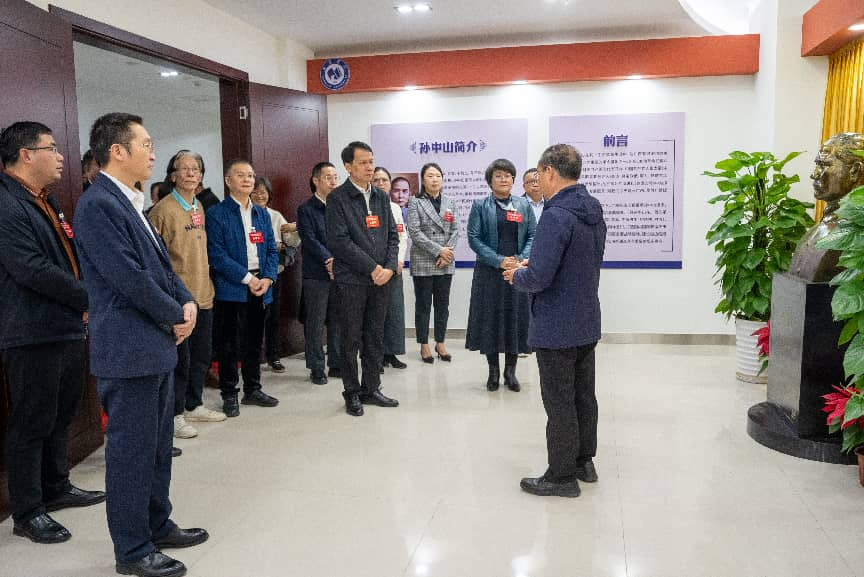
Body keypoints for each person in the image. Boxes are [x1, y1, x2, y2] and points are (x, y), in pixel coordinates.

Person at [74, 113, 207, 577]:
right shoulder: (97, 205)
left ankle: (156, 523)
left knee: (156, 447)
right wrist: (175, 313)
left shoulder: (129, 200)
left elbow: (162, 267)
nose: (154, 153)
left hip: (154, 345)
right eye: (145, 144)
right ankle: (132, 550)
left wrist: (186, 301)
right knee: (131, 453)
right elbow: (128, 277)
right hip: (128, 348)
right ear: (117, 151)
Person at [0, 122, 104, 545]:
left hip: (64, 324)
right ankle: (27, 511)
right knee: (32, 420)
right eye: (52, 148)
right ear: (26, 155)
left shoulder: (46, 199)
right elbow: (31, 268)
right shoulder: (6, 203)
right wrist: (90, 296)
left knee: (62, 412)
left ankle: (56, 486)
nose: (61, 157)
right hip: (32, 330)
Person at [505, 143, 606, 498]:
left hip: (555, 325)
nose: (538, 181)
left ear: (550, 171)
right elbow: (579, 263)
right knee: (583, 396)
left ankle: (561, 477)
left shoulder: (556, 214)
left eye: (539, 174)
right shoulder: (593, 210)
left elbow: (539, 277)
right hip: (586, 319)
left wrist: (517, 275)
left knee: (560, 401)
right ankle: (583, 462)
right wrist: (533, 266)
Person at [149, 150, 226, 441]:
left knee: (201, 357)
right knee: (180, 361)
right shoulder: (162, 210)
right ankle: (175, 414)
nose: (191, 173)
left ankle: (194, 404)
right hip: (179, 300)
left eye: (196, 169)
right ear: (172, 175)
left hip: (204, 293)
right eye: (185, 168)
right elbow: (155, 261)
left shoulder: (198, 206)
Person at [326, 142, 400, 416]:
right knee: (350, 338)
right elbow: (340, 241)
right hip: (352, 281)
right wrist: (372, 268)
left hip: (381, 280)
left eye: (371, 161)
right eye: (363, 162)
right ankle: (352, 392)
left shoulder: (381, 197)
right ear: (348, 166)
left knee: (375, 336)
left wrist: (388, 268)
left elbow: (392, 236)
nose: (370, 167)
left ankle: (372, 388)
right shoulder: (338, 198)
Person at [206, 159, 280, 418]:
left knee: (253, 341)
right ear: (228, 181)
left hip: (261, 286)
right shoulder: (216, 213)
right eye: (241, 175)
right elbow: (217, 255)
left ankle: (253, 389)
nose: (248, 180)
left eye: (250, 175)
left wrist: (268, 278)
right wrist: (248, 279)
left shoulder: (261, 213)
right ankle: (229, 393)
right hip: (232, 287)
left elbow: (271, 250)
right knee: (228, 345)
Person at [465, 158, 536, 392]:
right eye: (498, 175)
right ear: (490, 180)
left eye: (507, 175)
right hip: (489, 272)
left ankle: (510, 372)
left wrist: (519, 259)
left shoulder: (523, 205)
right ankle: (493, 372)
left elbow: (533, 235)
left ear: (513, 180)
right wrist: (498, 260)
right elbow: (474, 238)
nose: (503, 179)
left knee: (515, 318)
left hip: (517, 271)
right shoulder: (480, 205)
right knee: (491, 320)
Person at [790, 132, 864, 281]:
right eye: (817, 165)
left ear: (854, 171)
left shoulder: (855, 237)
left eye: (824, 165)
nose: (814, 174)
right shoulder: (817, 230)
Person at [406, 162, 458, 363]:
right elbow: (415, 232)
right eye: (430, 176)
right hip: (424, 261)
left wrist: (446, 253)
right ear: (423, 180)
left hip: (445, 262)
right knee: (423, 305)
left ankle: (440, 342)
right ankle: (424, 344)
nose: (434, 179)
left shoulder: (450, 201)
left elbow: (456, 229)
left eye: (438, 175)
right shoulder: (415, 201)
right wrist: (439, 250)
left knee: (443, 305)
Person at [297, 162, 341, 385]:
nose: (333, 182)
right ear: (316, 180)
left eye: (335, 177)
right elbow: (309, 239)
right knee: (315, 323)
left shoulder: (340, 207)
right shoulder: (306, 209)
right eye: (328, 177)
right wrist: (328, 259)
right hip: (316, 274)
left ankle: (336, 363)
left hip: (341, 272)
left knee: (337, 320)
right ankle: (316, 366)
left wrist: (340, 260)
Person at [251, 175, 299, 373]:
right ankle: (252, 358)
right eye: (255, 192)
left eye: (263, 192)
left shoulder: (275, 215)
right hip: (251, 276)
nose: (259, 195)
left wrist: (293, 232)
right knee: (252, 319)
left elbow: (293, 242)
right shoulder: (243, 215)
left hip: (273, 274)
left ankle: (273, 356)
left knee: (273, 317)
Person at [373, 167, 408, 369]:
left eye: (384, 180)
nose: (380, 183)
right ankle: (375, 357)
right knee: (375, 315)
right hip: (374, 269)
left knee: (394, 312)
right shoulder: (366, 205)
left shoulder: (395, 208)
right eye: (376, 180)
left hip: (393, 267)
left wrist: (398, 260)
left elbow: (402, 236)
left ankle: (391, 353)